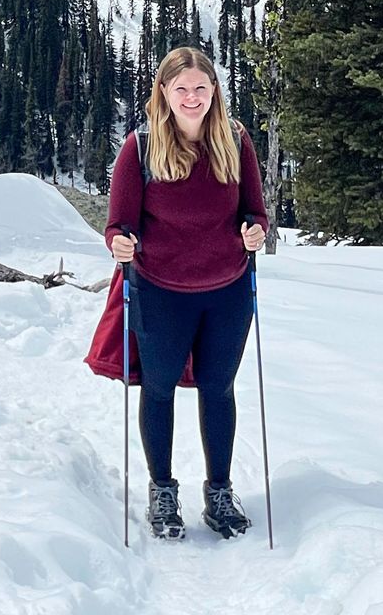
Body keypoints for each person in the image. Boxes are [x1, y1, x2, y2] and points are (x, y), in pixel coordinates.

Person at [104, 46, 267, 540]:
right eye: (181, 89)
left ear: (214, 90)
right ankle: (162, 490)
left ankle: (219, 490)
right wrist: (119, 242)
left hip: (228, 288)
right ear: (164, 93)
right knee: (158, 388)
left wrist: (254, 230)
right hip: (160, 289)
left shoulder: (236, 142)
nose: (192, 97)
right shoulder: (140, 147)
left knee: (219, 389)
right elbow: (119, 223)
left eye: (200, 88)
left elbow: (255, 211)